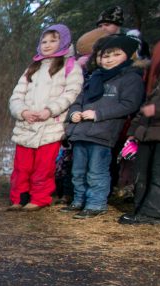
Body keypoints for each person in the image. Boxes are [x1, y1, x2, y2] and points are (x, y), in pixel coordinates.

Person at [65, 35, 145, 218]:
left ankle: (95, 203)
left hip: (103, 134)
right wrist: (74, 113)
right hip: (81, 132)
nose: (108, 60)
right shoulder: (94, 77)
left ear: (128, 56)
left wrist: (98, 114)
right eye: (104, 56)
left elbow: (129, 104)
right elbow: (79, 100)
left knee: (96, 171)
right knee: (77, 171)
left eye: (115, 55)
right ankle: (79, 200)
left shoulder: (130, 78)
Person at [8, 24, 84, 211]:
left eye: (53, 40)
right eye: (44, 41)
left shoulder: (70, 66)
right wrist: (23, 111)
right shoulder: (33, 67)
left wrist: (50, 110)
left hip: (50, 126)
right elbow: (16, 96)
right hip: (26, 125)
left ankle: (39, 198)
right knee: (21, 167)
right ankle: (19, 197)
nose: (47, 45)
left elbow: (71, 94)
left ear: (64, 41)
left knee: (43, 167)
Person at [119, 3, 160, 226]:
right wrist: (136, 128)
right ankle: (142, 209)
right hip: (151, 125)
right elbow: (152, 93)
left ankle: (154, 214)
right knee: (144, 168)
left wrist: (157, 110)